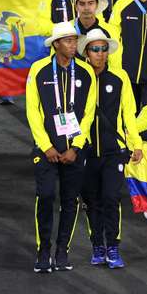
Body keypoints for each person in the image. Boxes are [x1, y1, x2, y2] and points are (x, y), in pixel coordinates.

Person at [25, 22, 98, 273]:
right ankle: (43, 249)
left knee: (70, 201)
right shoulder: (39, 70)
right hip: (47, 150)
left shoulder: (86, 72)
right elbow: (32, 111)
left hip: (74, 151)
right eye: (67, 41)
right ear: (56, 44)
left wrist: (76, 147)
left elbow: (89, 113)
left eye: (74, 40)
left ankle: (62, 250)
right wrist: (45, 146)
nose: (73, 45)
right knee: (45, 195)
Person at [78, 29, 143, 269]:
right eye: (95, 49)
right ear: (86, 52)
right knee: (91, 200)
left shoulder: (120, 77)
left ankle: (113, 246)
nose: (100, 54)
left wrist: (136, 144)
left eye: (104, 49)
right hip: (84, 151)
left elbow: (129, 115)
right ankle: (97, 245)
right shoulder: (78, 78)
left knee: (111, 197)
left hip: (113, 150)